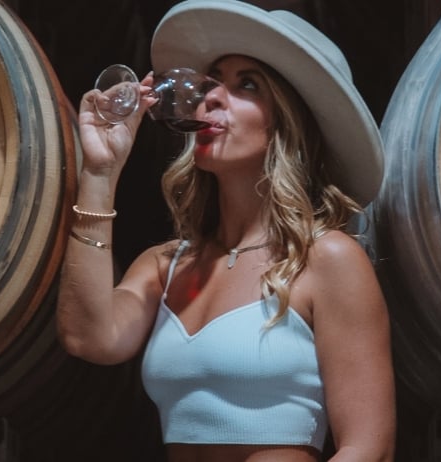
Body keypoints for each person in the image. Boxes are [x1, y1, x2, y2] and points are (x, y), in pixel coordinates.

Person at [55, 0, 395, 461]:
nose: (210, 97)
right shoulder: (166, 265)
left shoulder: (326, 259)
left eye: (246, 84)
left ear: (284, 123)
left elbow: (368, 449)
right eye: (212, 83)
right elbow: (87, 338)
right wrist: (100, 173)